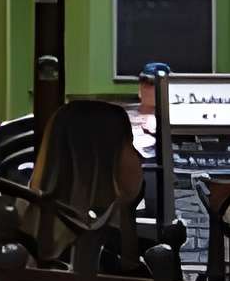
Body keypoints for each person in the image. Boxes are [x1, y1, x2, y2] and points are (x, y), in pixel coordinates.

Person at [20, 98, 144, 263]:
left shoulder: (27, 227)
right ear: (100, 160)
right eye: (130, 143)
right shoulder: (102, 253)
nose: (140, 156)